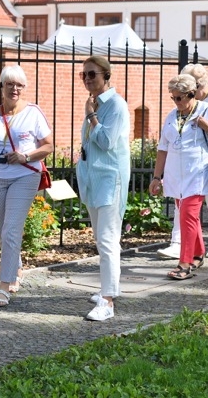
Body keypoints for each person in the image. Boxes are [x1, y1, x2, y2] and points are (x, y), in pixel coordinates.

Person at [0, 65, 54, 307]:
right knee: (2, 229)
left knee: (11, 230)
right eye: (9, 84)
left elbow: (48, 146)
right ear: (2, 87)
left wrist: (26, 156)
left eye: (19, 85)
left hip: (24, 176)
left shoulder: (34, 113)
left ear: (23, 88)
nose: (14, 89)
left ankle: (4, 286)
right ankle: (15, 266)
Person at [149, 74, 208, 279]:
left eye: (179, 98)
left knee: (188, 215)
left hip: (198, 172)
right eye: (173, 98)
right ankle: (197, 253)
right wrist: (157, 177)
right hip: (176, 174)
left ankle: (184, 263)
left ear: (191, 94)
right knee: (187, 215)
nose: (176, 102)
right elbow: (162, 149)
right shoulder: (171, 116)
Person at [76, 56, 131, 322]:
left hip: (110, 181)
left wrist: (91, 116)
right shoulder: (94, 103)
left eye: (92, 74)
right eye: (83, 75)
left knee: (108, 241)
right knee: (101, 239)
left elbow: (107, 141)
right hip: (92, 180)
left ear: (106, 76)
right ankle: (107, 290)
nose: (87, 79)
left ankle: (108, 301)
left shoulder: (117, 105)